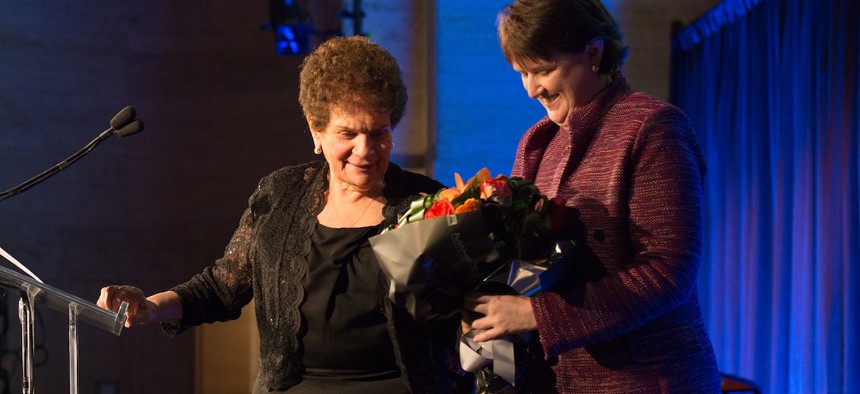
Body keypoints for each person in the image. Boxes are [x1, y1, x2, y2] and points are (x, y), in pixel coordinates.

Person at [97, 36, 460, 393]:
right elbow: (222, 287)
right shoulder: (280, 193)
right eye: (347, 133)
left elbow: (464, 308)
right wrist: (150, 307)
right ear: (315, 130)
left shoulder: (428, 203)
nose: (365, 150)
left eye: (378, 133)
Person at [461, 0, 722, 392]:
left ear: (594, 53)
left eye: (543, 70)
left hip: (647, 381)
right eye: (522, 73)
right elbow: (520, 261)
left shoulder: (653, 128)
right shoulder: (537, 142)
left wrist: (537, 314)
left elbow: (670, 273)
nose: (532, 89)